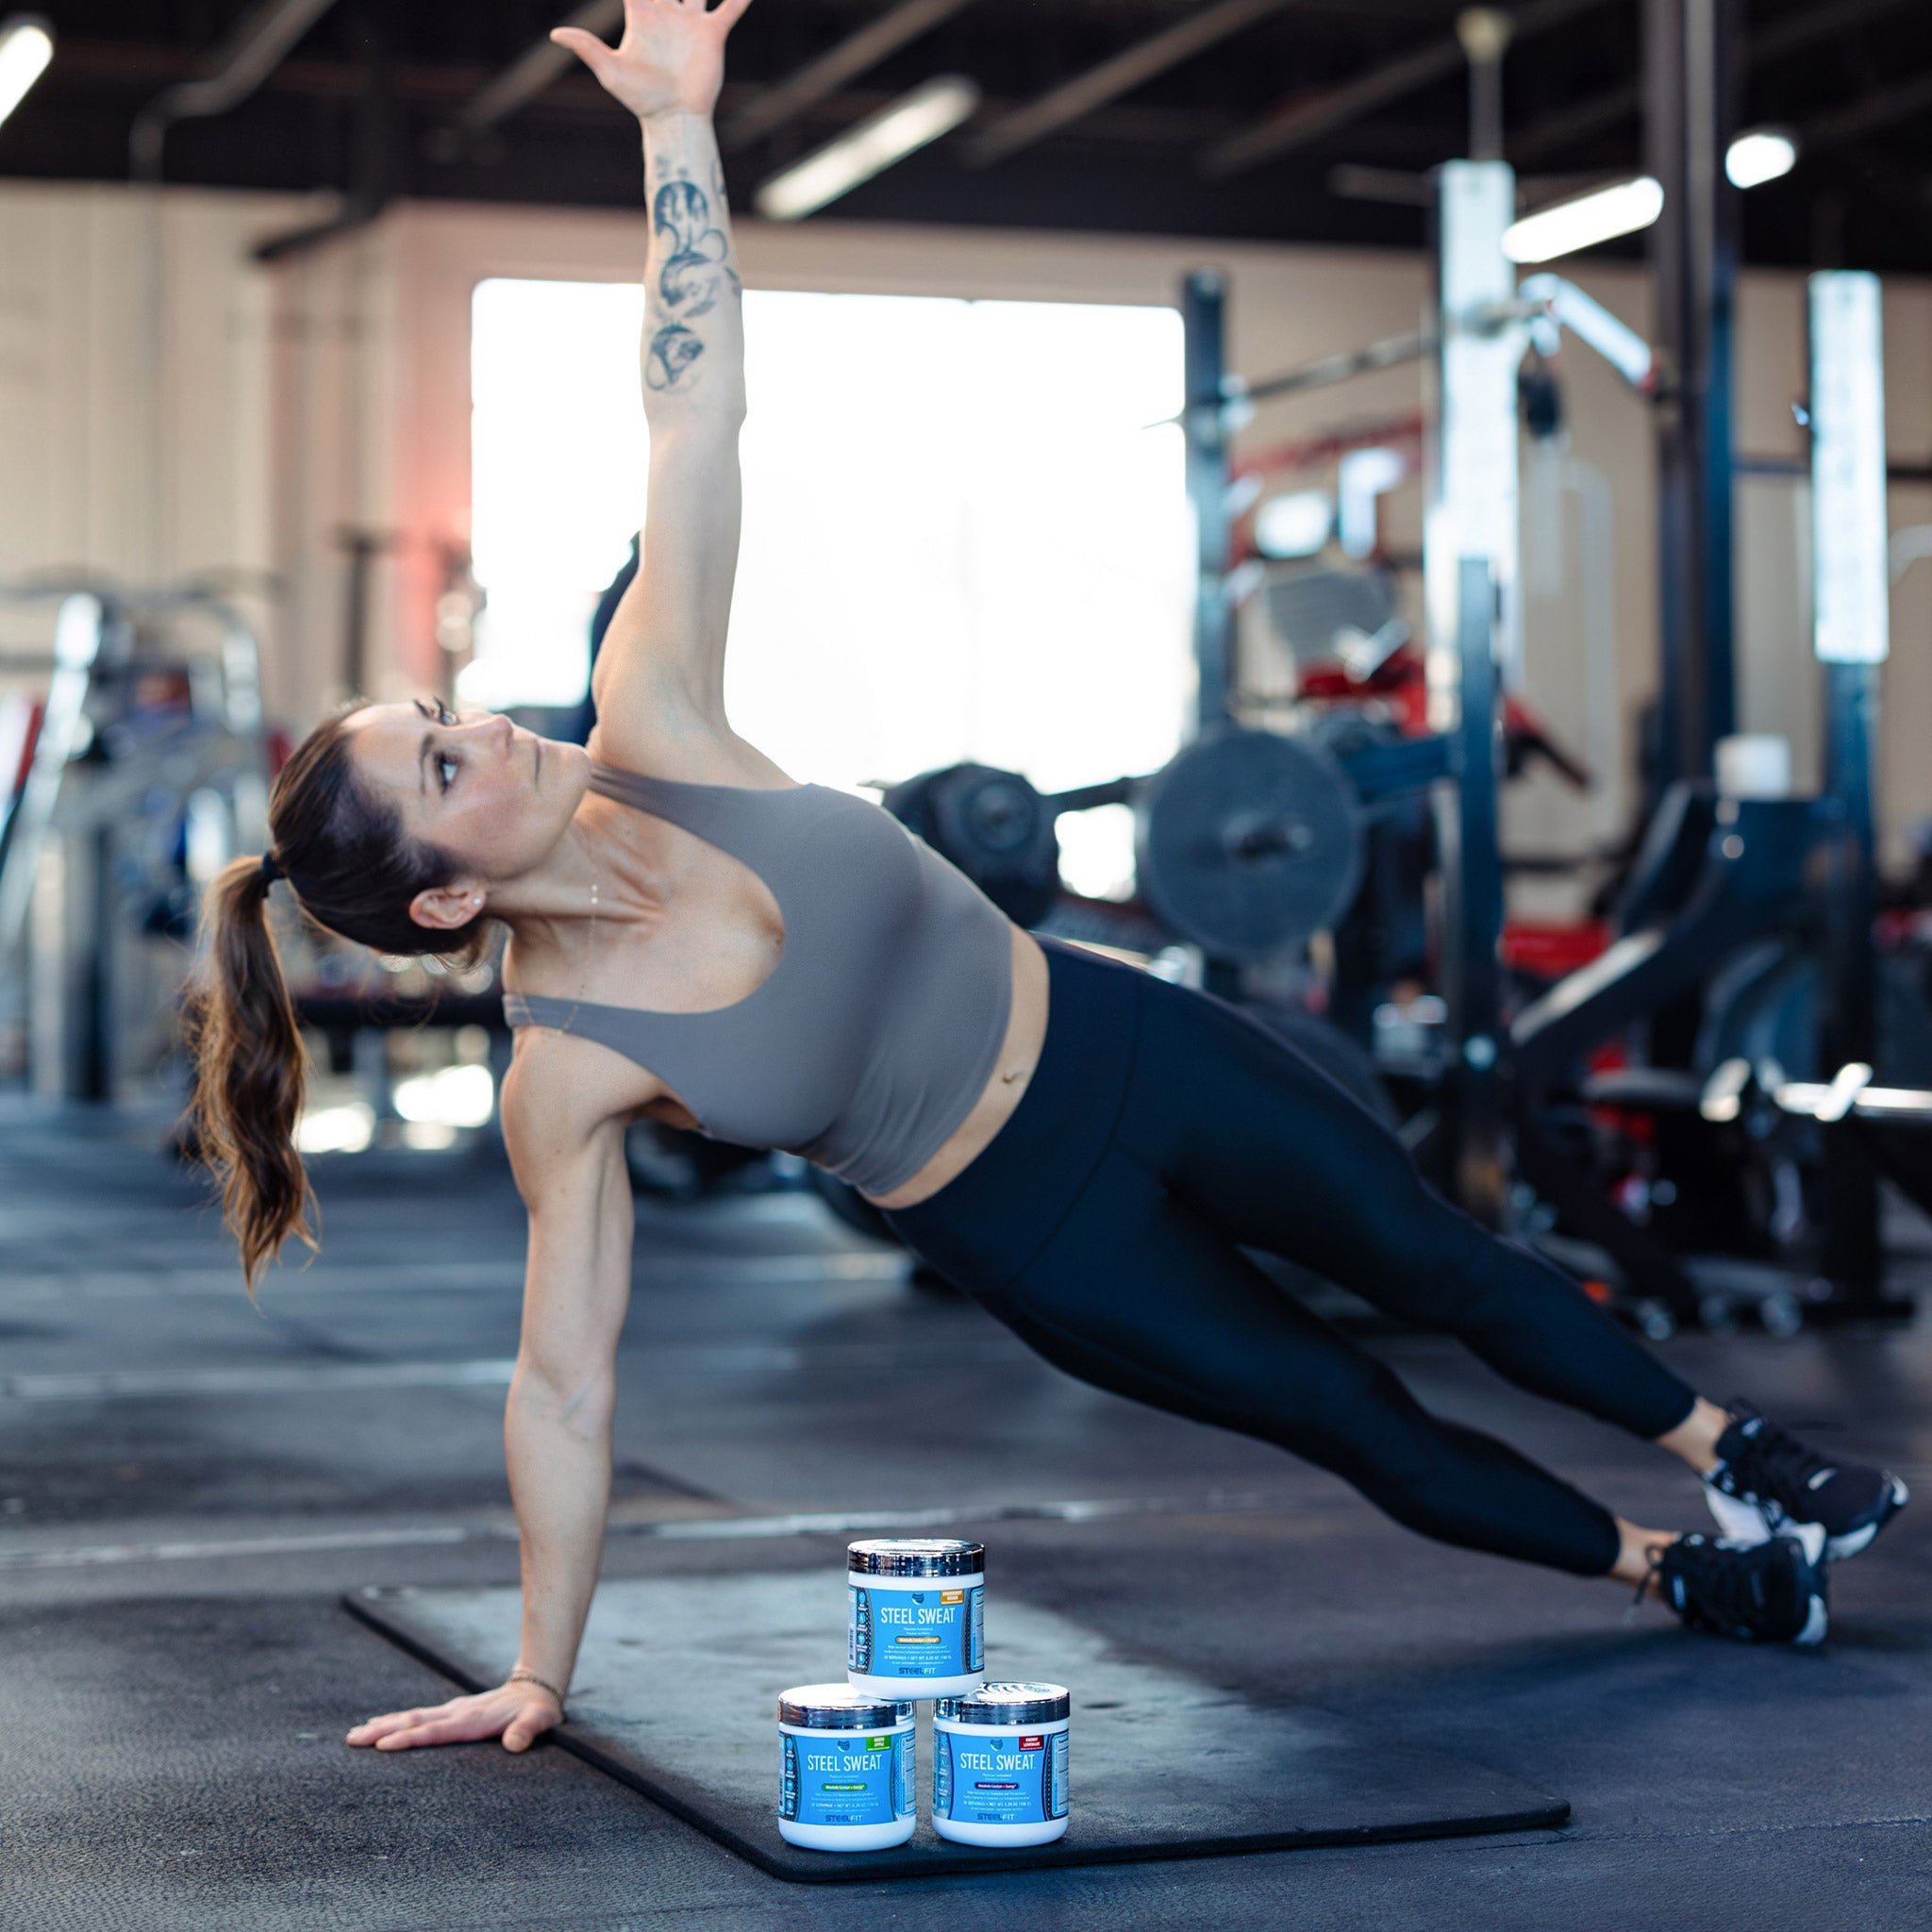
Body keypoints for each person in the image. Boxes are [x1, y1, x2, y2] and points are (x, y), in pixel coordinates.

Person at [186, 0, 1905, 1759]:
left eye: (450, 716)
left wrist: (677, 129)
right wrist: (543, 1669)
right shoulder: (570, 1073)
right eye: (451, 767)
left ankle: (1742, 1459)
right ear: (448, 901)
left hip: (1119, 1038)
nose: (497, 736)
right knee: (1346, 1414)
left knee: (1433, 1254)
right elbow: (562, 1385)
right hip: (1032, 1229)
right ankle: (1676, 1572)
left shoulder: (658, 713)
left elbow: (692, 418)